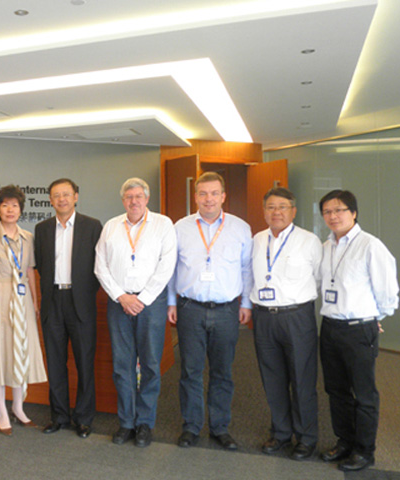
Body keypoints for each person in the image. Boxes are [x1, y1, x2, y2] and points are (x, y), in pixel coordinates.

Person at [167, 171, 252, 451]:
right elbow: (171, 270)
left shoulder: (240, 227)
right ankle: (191, 426)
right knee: (190, 371)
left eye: (214, 193)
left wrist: (246, 304)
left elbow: (246, 269)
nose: (208, 199)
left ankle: (219, 427)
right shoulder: (180, 227)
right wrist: (171, 302)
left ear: (223, 196)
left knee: (222, 372)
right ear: (196, 197)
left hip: (227, 310)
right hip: (190, 308)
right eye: (203, 193)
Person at [317, 190, 399, 472]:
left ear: (353, 213)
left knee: (364, 394)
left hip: (358, 329)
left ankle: (365, 451)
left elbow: (388, 291)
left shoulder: (370, 246)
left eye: (339, 210)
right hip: (329, 327)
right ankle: (345, 442)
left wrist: (375, 317)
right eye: (327, 211)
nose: (333, 216)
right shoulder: (326, 246)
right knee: (336, 390)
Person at [94, 177, 176, 448]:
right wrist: (121, 296)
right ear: (123, 201)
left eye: (138, 196)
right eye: (129, 197)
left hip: (150, 304)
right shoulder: (111, 226)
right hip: (119, 305)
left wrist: (143, 299)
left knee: (151, 365)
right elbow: (100, 266)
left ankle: (145, 424)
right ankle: (126, 422)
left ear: (146, 199)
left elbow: (167, 265)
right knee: (122, 366)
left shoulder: (163, 225)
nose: (134, 201)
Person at [250, 187, 321, 460]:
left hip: (297, 316)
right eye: (270, 207)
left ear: (293, 210)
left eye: (282, 207)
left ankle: (306, 437)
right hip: (264, 317)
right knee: (272, 378)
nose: (276, 212)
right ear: (264, 211)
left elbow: (319, 278)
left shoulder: (309, 240)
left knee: (302, 378)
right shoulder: (257, 240)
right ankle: (280, 432)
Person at [0, 185, 47, 436]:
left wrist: (35, 303)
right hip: (0, 295)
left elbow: (29, 272)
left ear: (20, 210)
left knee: (21, 351)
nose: (10, 209)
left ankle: (18, 406)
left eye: (14, 205)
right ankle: (1, 410)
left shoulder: (28, 237)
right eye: (5, 205)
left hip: (23, 298)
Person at [34, 178, 102, 438]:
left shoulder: (92, 226)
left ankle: (83, 419)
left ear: (76, 196)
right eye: (56, 195)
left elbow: (100, 266)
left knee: (85, 362)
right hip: (53, 302)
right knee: (55, 362)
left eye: (66, 194)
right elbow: (40, 265)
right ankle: (59, 416)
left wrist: (85, 294)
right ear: (50, 200)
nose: (61, 199)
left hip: (81, 302)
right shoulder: (42, 229)